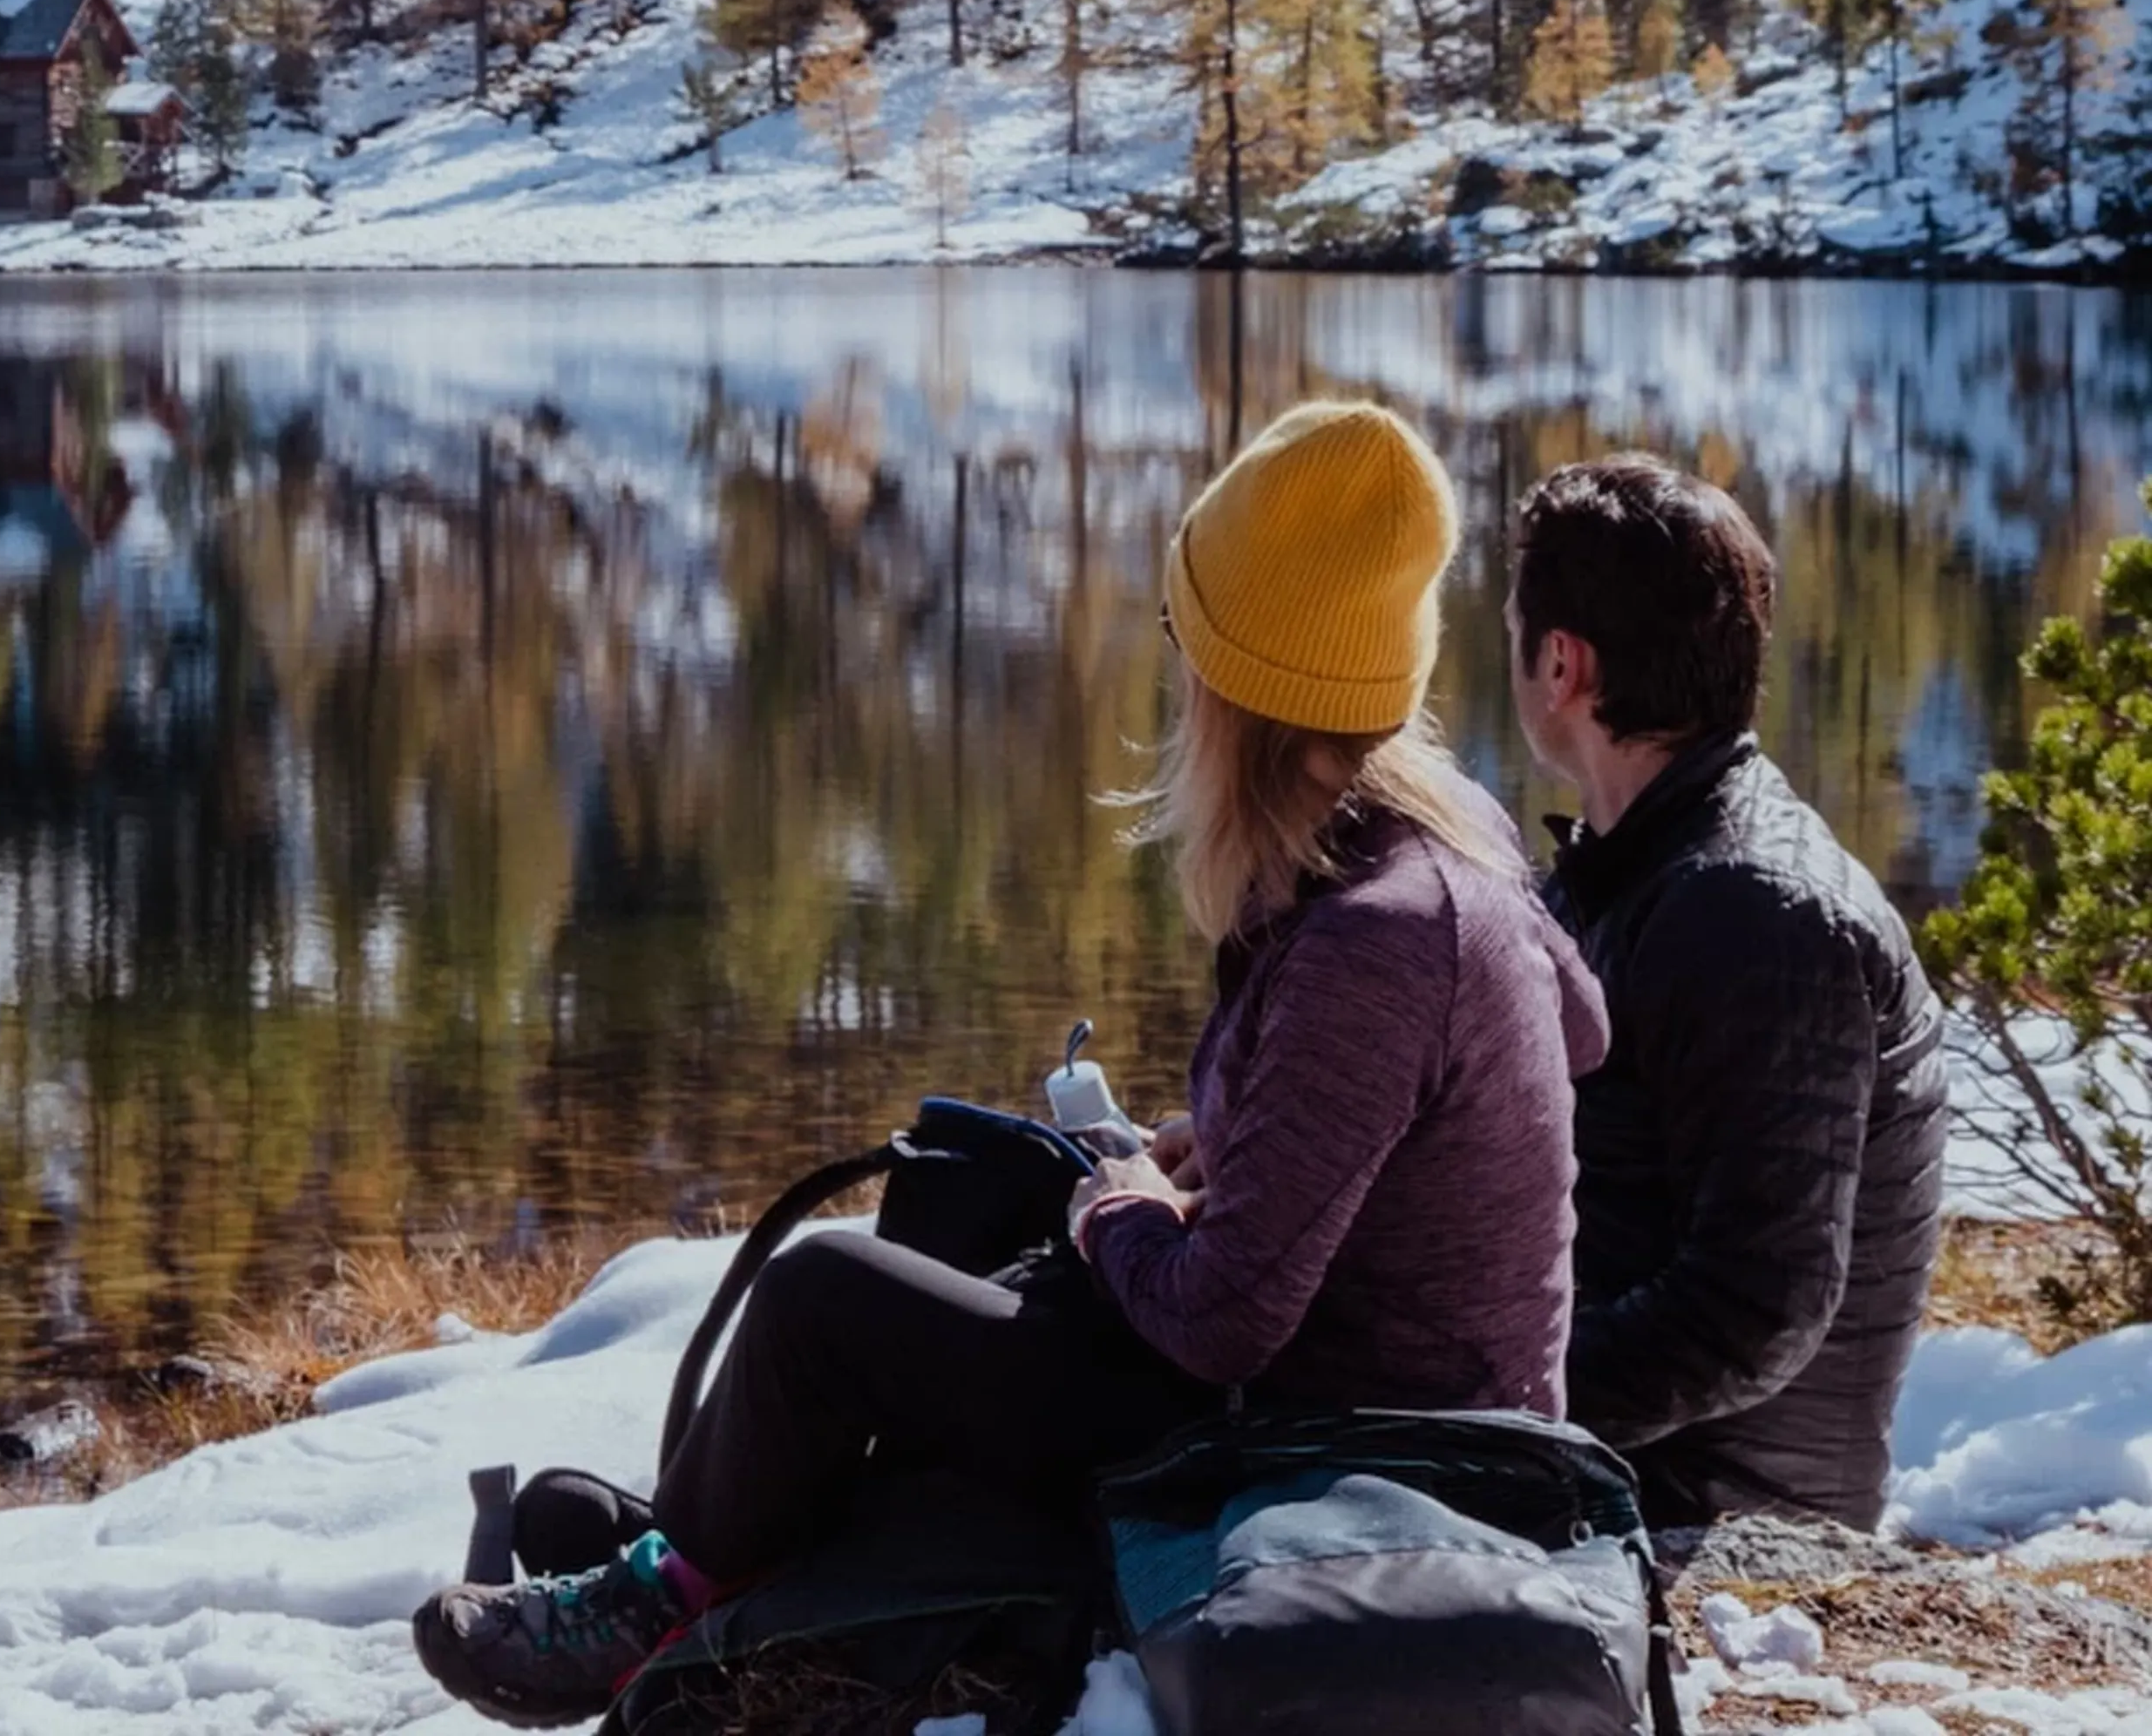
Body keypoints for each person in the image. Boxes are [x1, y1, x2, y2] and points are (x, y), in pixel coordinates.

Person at [412, 398, 1607, 1726]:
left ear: (1242, 681)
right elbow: (1578, 1024)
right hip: (1392, 1392)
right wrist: (1265, 1141)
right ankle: (699, 1545)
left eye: (1182, 635)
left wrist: (1126, 1205)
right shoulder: (1453, 843)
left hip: (1341, 1444)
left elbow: (1221, 1316)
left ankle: (652, 1609)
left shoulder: (1379, 938)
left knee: (829, 1298)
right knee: (982, 1236)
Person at [1510, 453, 1946, 1535]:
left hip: (1710, 1516)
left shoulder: (1752, 913)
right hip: (1620, 1464)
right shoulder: (1640, 865)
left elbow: (1754, 1311)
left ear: (1562, 664)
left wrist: (1485, 1399)